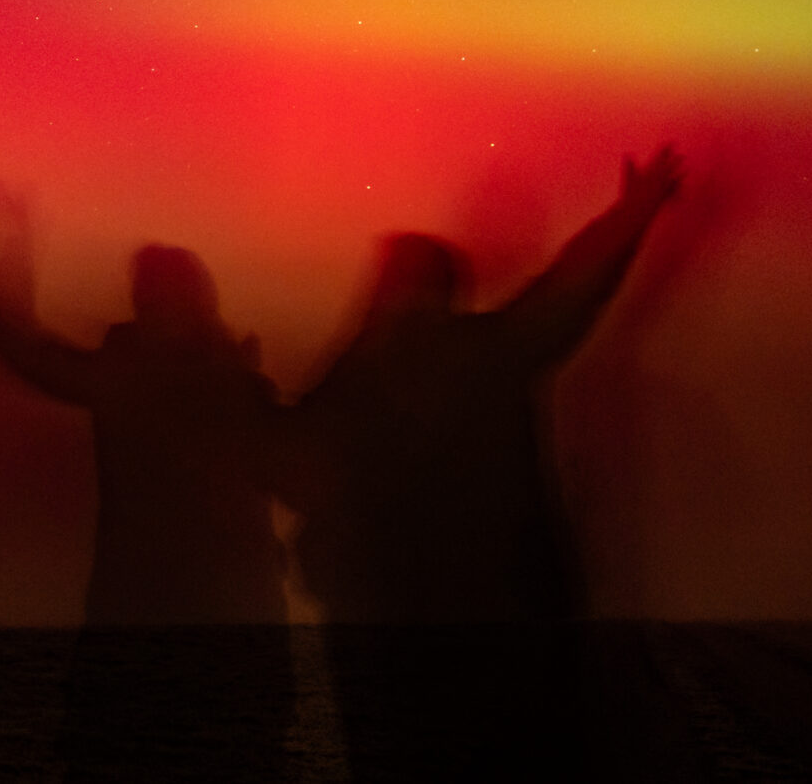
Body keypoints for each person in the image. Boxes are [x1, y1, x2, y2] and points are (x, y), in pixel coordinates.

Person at [272, 145, 684, 779]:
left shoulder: (346, 383)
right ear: (449, 291)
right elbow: (568, 290)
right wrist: (634, 213)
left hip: (389, 644)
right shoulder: (491, 352)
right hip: (507, 631)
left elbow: (292, 472)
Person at [0, 182, 292, 779]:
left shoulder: (127, 378)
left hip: (140, 625)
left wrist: (1, 249)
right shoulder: (237, 386)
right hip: (237, 625)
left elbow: (18, 347)